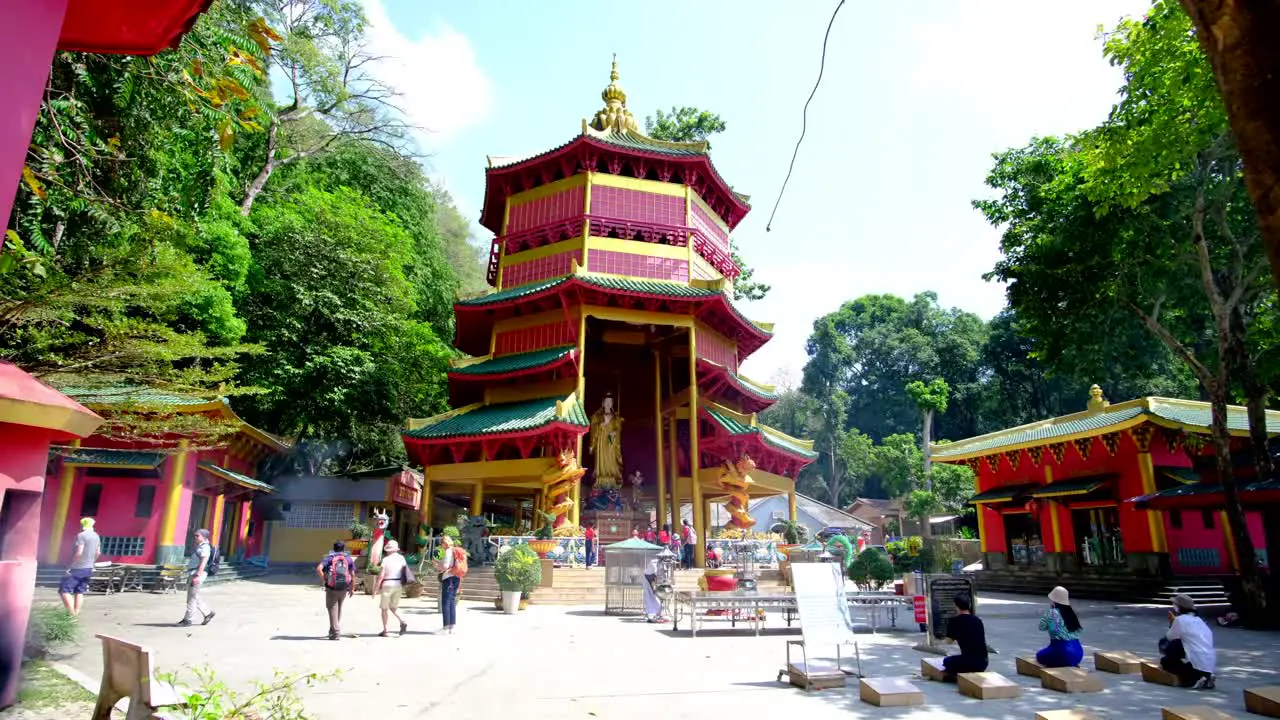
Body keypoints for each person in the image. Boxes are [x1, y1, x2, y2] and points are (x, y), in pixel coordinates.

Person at [1160, 594, 1216, 689]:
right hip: (1209, 663)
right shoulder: (1199, 621)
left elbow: (1169, 638)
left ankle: (1193, 678)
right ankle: (1206, 676)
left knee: (1166, 658)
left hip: (1196, 661)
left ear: (1179, 607)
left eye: (1175, 604)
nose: (1174, 606)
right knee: (1182, 646)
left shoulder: (1180, 620)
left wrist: (1172, 624)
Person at [941, 592, 988, 680]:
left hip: (968, 662)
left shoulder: (954, 621)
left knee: (947, 661)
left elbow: (948, 641)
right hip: (983, 663)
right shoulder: (978, 620)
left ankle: (953, 675)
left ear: (956, 606)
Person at [60, 517, 100, 616]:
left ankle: (71, 614)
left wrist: (71, 566)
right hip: (89, 568)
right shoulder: (96, 536)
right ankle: (76, 613)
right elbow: (98, 552)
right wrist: (92, 562)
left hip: (78, 567)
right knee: (79, 591)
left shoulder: (81, 535)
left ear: (82, 525)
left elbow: (79, 552)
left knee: (64, 590)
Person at [1036, 586, 1084, 668]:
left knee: (1040, 655)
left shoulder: (1052, 612)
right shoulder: (1071, 613)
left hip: (1062, 651)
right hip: (1078, 653)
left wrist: (1048, 617)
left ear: (1054, 599)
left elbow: (1041, 627)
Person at [316, 541, 355, 640]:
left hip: (332, 588)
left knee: (332, 609)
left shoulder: (330, 558)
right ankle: (332, 631)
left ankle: (336, 632)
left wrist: (324, 580)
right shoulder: (348, 558)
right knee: (338, 609)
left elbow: (318, 568)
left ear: (334, 549)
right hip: (344, 588)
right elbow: (353, 574)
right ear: (343, 549)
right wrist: (352, 588)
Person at [178, 528, 215, 626]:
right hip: (194, 572)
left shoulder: (205, 547)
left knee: (191, 598)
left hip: (197, 573)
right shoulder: (200, 546)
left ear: (204, 537)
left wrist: (198, 575)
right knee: (194, 596)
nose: (195, 537)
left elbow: (204, 561)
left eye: (197, 535)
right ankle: (208, 613)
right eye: (195, 535)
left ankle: (188, 619)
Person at [373, 540, 409, 637]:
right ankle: (403, 621)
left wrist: (375, 589)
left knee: (384, 609)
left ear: (388, 550)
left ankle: (386, 630)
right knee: (394, 607)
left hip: (387, 584)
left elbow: (381, 576)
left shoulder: (385, 560)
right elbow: (405, 572)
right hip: (398, 584)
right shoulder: (402, 558)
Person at [435, 534, 464, 634]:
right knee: (451, 602)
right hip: (456, 577)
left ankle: (446, 627)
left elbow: (446, 566)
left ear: (445, 542)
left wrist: (438, 566)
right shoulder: (455, 551)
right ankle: (452, 626)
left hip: (448, 578)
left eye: (441, 543)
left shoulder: (448, 551)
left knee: (445, 602)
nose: (441, 545)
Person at [641, 554, 664, 623]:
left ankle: (658, 613)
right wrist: (654, 586)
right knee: (649, 598)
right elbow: (655, 573)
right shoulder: (654, 563)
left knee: (657, 598)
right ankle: (650, 614)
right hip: (648, 580)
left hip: (653, 580)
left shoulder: (662, 564)